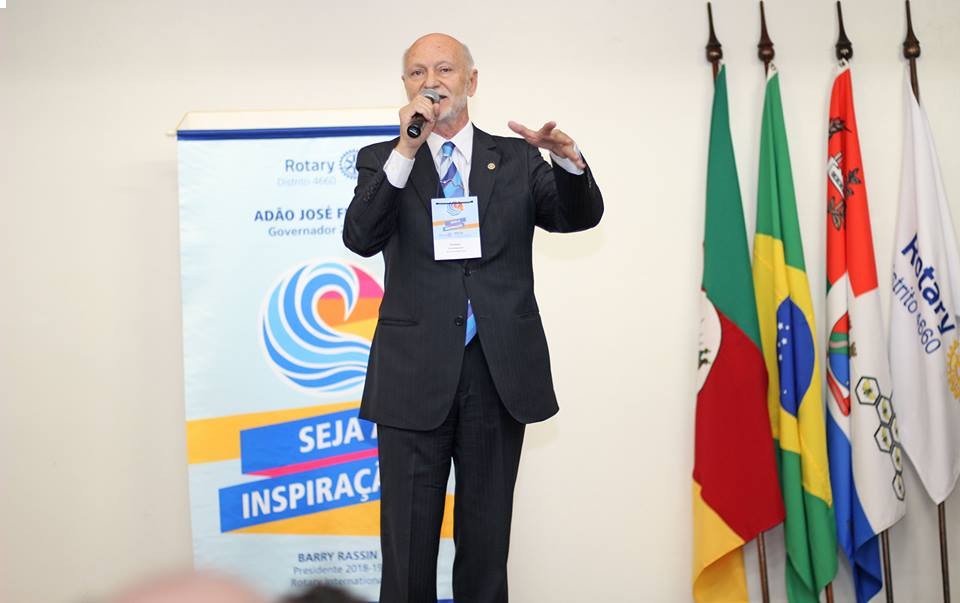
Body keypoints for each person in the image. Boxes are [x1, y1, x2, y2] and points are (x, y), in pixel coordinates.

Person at [342, 33, 603, 603]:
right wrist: (407, 149)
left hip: (496, 373)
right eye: (417, 73)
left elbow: (576, 217)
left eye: (444, 69)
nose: (431, 82)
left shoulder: (516, 159)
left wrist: (567, 159)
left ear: (471, 81)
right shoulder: (383, 160)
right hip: (411, 377)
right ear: (405, 86)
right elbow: (360, 236)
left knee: (486, 553)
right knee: (407, 555)